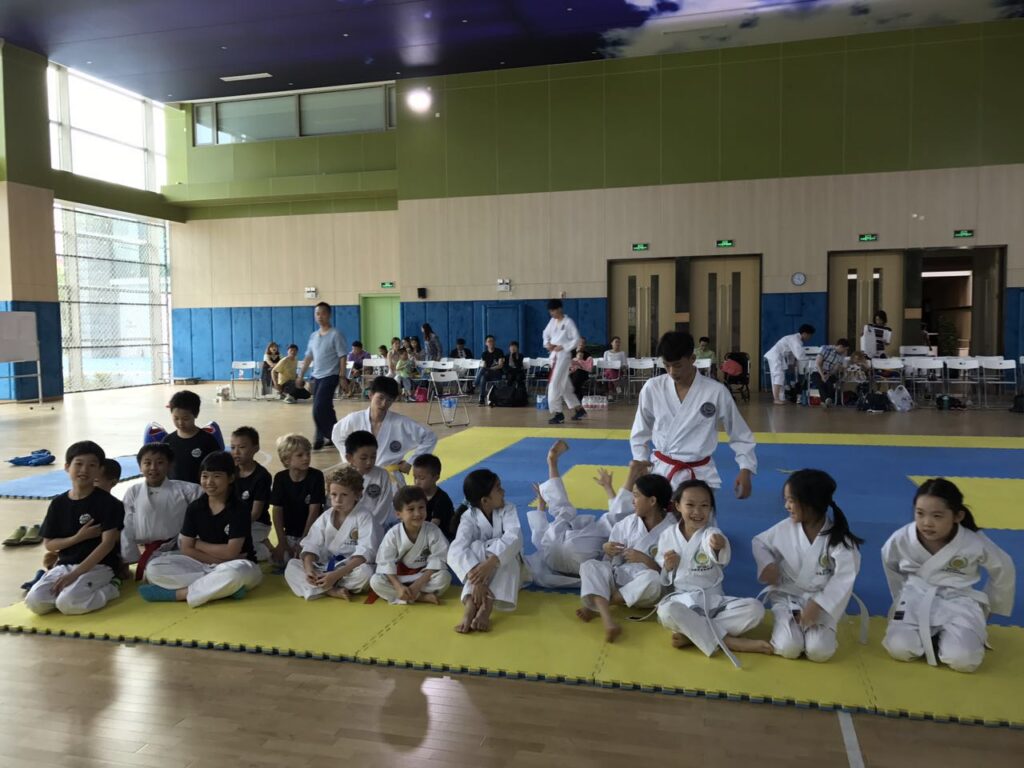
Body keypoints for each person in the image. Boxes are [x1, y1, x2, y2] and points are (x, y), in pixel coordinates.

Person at [881, 478, 1015, 673]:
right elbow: (890, 563)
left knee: (964, 661)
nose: (927, 523)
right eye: (920, 513)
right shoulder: (902, 538)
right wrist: (900, 595)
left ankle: (945, 638)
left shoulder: (972, 541)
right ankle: (935, 637)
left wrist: (993, 605)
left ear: (957, 516)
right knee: (899, 649)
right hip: (915, 597)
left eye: (937, 516)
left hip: (958, 601)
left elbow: (1004, 566)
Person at [753, 469, 863, 662]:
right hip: (788, 597)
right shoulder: (785, 528)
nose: (786, 506)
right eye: (786, 500)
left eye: (791, 500)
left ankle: (819, 630)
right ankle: (785, 625)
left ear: (810, 502)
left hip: (821, 600)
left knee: (819, 652)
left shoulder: (839, 540)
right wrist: (768, 564)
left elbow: (844, 579)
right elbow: (759, 543)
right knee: (788, 648)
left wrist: (819, 604)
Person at [656, 481, 770, 664]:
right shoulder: (667, 535)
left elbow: (717, 548)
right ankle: (728, 641)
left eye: (704, 505)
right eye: (690, 505)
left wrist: (718, 546)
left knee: (755, 609)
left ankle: (692, 635)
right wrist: (668, 567)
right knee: (666, 611)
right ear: (677, 506)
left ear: (711, 508)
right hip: (684, 600)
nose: (697, 511)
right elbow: (664, 578)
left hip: (713, 601)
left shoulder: (712, 533)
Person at [631, 332, 756, 497]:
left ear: (692, 359)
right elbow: (640, 431)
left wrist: (746, 468)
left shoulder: (716, 391)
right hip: (661, 473)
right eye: (666, 365)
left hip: (700, 475)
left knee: (698, 514)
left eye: (677, 365)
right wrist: (641, 460)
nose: (672, 371)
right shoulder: (652, 387)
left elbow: (739, 433)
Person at [141, 451, 263, 607]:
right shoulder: (195, 508)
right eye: (205, 476)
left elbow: (231, 552)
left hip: (238, 564)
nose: (209, 482)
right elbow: (185, 548)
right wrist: (216, 561)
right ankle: (222, 588)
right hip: (202, 564)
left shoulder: (239, 509)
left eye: (217, 476)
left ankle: (179, 594)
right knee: (154, 568)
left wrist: (198, 544)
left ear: (231, 478)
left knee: (236, 574)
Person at [25, 442, 125, 616]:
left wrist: (76, 574)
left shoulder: (109, 503)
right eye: (78, 464)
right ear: (67, 467)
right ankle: (71, 591)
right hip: (65, 564)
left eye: (91, 465)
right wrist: (78, 537)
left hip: (100, 565)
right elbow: (50, 545)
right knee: (35, 602)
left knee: (68, 603)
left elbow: (107, 544)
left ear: (99, 470)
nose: (84, 470)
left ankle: (112, 588)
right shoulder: (58, 503)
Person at [577, 470, 674, 643]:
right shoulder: (629, 522)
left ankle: (600, 605)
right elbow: (612, 560)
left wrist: (644, 559)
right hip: (620, 578)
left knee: (653, 580)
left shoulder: (672, 530)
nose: (632, 501)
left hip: (644, 591)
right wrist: (607, 548)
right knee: (590, 565)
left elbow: (668, 575)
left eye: (636, 495)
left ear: (652, 501)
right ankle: (608, 621)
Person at [525, 441, 635, 589]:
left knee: (564, 512)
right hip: (578, 558)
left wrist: (541, 505)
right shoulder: (589, 536)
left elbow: (538, 535)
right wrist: (609, 489)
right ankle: (633, 474)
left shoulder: (566, 536)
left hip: (551, 557)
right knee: (606, 524)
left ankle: (552, 462)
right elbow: (615, 522)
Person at [284, 466, 378, 601]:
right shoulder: (326, 517)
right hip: (325, 566)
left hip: (349, 569)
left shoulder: (364, 517)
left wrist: (336, 575)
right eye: (334, 494)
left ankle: (321, 587)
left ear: (358, 494)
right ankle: (330, 590)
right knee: (292, 566)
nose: (338, 500)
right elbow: (311, 546)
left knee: (366, 573)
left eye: (344, 495)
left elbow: (365, 553)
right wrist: (310, 570)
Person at [449, 469, 524, 633]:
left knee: (506, 552)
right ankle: (470, 606)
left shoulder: (508, 509)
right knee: (475, 547)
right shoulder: (468, 517)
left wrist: (490, 563)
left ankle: (487, 607)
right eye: (498, 488)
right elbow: (456, 549)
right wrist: (477, 579)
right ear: (485, 500)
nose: (503, 491)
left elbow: (514, 537)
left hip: (508, 570)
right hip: (479, 574)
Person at [331, 376, 438, 488]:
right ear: (371, 395)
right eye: (380, 398)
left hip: (390, 479)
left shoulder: (401, 423)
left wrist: (411, 462)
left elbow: (430, 438)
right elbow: (336, 435)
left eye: (389, 400)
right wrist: (351, 460)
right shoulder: (354, 419)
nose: (384, 404)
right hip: (361, 477)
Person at [121, 443, 202, 581]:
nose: (153, 467)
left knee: (155, 572)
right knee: (153, 571)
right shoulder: (133, 491)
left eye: (159, 463)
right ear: (140, 466)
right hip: (147, 551)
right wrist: (128, 559)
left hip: (179, 549)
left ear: (169, 465)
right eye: (147, 463)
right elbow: (127, 526)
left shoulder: (188, 490)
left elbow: (201, 518)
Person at [370, 486, 452, 605]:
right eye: (411, 509)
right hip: (399, 577)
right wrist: (398, 587)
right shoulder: (393, 534)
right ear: (398, 514)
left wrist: (417, 585)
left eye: (421, 507)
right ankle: (420, 597)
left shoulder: (433, 530)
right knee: (376, 581)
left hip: (422, 577)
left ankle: (407, 595)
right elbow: (385, 563)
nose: (417, 513)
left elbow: (438, 559)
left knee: (444, 577)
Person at [297, 301, 349, 450]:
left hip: (331, 376)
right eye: (317, 314)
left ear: (329, 315)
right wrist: (301, 375)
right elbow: (308, 356)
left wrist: (342, 377)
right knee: (326, 409)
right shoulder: (313, 336)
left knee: (318, 408)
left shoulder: (336, 334)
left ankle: (324, 437)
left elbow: (342, 356)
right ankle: (335, 435)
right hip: (316, 377)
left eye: (323, 313)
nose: (320, 316)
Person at [269, 434, 325, 565]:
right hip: (290, 533)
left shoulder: (316, 476)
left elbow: (314, 511)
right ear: (286, 459)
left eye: (308, 454)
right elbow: (277, 510)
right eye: (300, 455)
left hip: (312, 532)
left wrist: (304, 541)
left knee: (308, 560)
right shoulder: (280, 478)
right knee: (278, 560)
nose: (306, 458)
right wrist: (282, 542)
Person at [229, 426, 273, 562]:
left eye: (242, 447)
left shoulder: (262, 476)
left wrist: (235, 527)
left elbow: (255, 513)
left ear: (255, 448)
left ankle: (266, 549)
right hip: (233, 521)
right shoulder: (230, 471)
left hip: (257, 523)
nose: (236, 452)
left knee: (234, 549)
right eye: (233, 447)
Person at [163, 390, 220, 483]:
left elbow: (218, 467)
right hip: (174, 489)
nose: (180, 423)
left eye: (185, 419)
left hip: (199, 489)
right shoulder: (167, 441)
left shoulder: (207, 441)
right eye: (176, 418)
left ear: (196, 414)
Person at [543, 299, 586, 423]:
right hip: (554, 356)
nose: (552, 313)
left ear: (559, 309)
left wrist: (563, 346)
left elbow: (576, 339)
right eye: (550, 311)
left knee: (554, 384)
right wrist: (548, 344)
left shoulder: (568, 322)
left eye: (553, 310)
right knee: (565, 386)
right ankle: (579, 409)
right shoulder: (552, 322)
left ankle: (558, 414)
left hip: (563, 357)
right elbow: (545, 334)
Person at [343, 431, 396, 529]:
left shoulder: (382, 475)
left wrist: (368, 524)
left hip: (377, 525)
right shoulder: (343, 478)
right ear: (349, 458)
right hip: (350, 526)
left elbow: (384, 505)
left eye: (373, 457)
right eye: (363, 458)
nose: (369, 462)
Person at [764, 324, 815, 405]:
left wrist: (791, 365)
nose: (810, 338)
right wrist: (811, 359)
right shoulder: (795, 340)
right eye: (810, 336)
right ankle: (776, 399)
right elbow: (799, 356)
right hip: (775, 356)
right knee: (778, 376)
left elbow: (791, 354)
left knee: (780, 378)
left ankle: (781, 398)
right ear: (805, 334)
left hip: (779, 356)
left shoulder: (796, 339)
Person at [412, 454, 455, 539]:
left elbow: (433, 525)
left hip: (442, 538)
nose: (417, 482)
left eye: (422, 478)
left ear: (436, 477)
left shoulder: (442, 499)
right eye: (415, 477)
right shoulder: (416, 495)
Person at [811, 338, 850, 407]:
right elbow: (818, 363)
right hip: (817, 371)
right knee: (820, 382)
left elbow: (835, 369)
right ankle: (826, 400)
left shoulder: (841, 356)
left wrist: (828, 374)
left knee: (829, 384)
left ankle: (825, 401)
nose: (845, 351)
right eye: (845, 349)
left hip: (829, 373)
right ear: (841, 346)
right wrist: (822, 375)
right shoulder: (825, 349)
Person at [475, 335, 505, 404]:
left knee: (483, 372)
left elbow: (500, 365)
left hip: (497, 373)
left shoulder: (499, 351)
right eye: (489, 341)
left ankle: (475, 384)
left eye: (492, 341)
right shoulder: (484, 354)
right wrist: (487, 369)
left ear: (494, 342)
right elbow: (484, 366)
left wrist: (490, 369)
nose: (491, 343)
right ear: (486, 343)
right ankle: (482, 398)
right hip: (487, 374)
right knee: (483, 376)